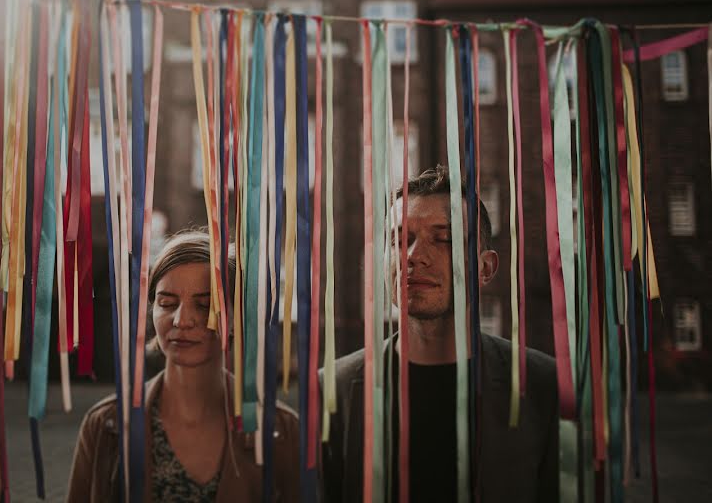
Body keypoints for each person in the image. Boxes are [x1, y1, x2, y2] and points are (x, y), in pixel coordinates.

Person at [322, 165, 559, 502]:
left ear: (485, 268)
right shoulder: (334, 390)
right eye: (400, 240)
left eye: (444, 238)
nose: (414, 256)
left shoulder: (543, 388)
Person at [67, 230, 300, 502]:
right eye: (167, 303)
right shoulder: (106, 426)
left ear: (237, 316)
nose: (181, 320)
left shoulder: (280, 431)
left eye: (203, 305)